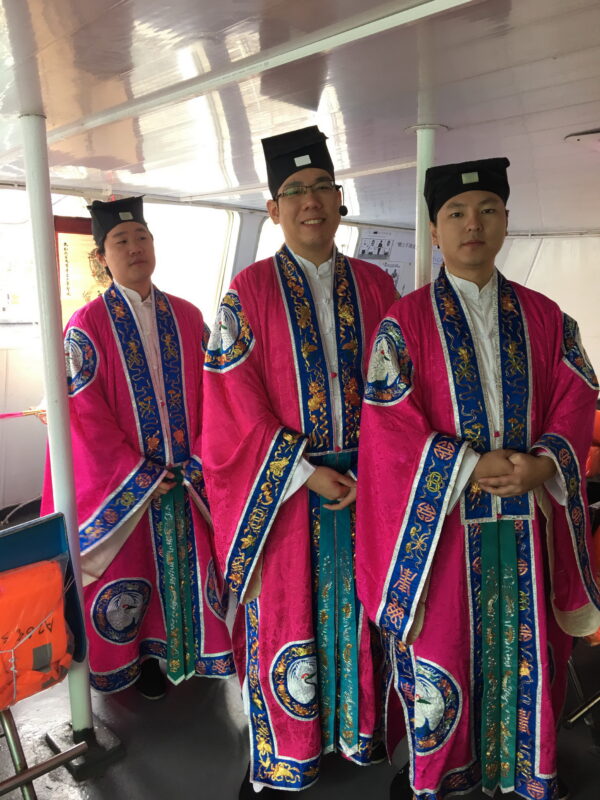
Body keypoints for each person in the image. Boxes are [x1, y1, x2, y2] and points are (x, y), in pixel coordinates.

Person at [355, 158, 600, 800]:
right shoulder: (403, 324)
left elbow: (578, 395)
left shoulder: (549, 318)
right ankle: (440, 777)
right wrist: (465, 465)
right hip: (441, 535)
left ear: (506, 222)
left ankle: (529, 771)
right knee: (444, 654)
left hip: (528, 533)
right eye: (456, 213)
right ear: (435, 230)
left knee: (528, 658)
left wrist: (544, 462)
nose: (473, 224)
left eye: (488, 210)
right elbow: (388, 429)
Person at [202, 126, 398, 795]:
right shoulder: (247, 291)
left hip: (368, 487)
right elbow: (231, 404)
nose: (310, 201)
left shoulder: (378, 286)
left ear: (340, 200)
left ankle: (357, 736)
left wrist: (376, 467)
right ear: (273, 209)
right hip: (286, 494)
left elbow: (402, 392)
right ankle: (287, 754)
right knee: (287, 616)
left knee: (362, 610)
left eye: (321, 188)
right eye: (294, 191)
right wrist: (305, 473)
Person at [41, 196, 234, 698]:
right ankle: (140, 661)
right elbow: (83, 415)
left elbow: (216, 394)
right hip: (127, 491)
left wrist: (198, 458)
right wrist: (141, 475)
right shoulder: (85, 327)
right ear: (102, 256)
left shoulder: (188, 317)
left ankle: (193, 654)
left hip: (186, 477)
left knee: (192, 574)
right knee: (132, 576)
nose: (135, 248)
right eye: (121, 241)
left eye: (142, 237)